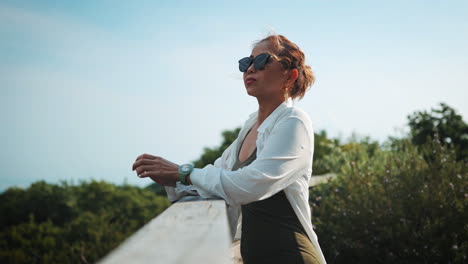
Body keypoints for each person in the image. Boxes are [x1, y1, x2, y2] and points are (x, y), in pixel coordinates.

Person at [132, 34, 326, 264]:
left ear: (290, 75)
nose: (250, 68)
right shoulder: (250, 127)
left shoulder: (295, 121)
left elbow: (250, 184)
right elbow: (218, 178)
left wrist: (183, 173)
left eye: (262, 60)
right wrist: (174, 180)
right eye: (246, 62)